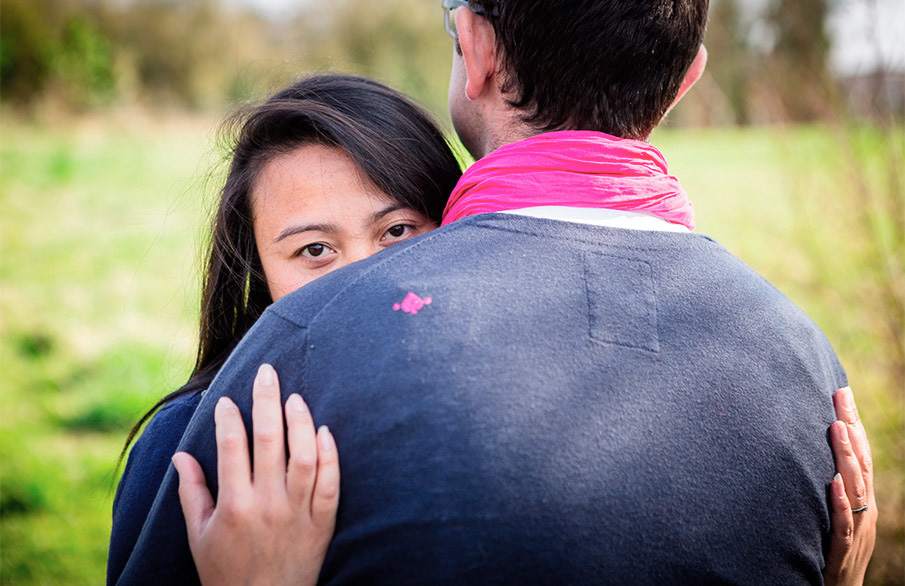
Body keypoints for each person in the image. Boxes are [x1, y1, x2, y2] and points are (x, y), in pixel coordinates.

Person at [111, 1, 878, 583]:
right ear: (684, 81)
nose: (357, 269)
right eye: (313, 249)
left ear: (474, 48)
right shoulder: (805, 367)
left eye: (396, 232)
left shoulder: (293, 364)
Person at [107, 73, 463, 584]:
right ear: (259, 272)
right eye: (315, 250)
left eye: (398, 231)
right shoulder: (192, 445)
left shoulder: (507, 400)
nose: (363, 279)